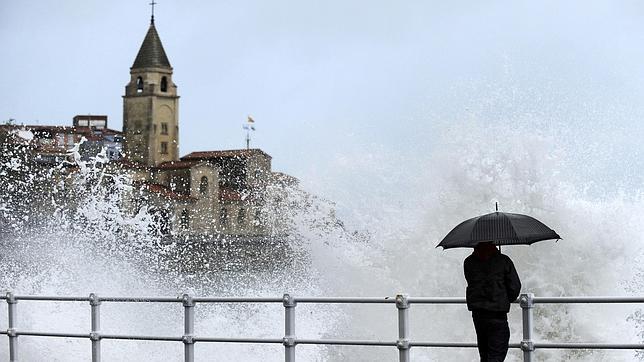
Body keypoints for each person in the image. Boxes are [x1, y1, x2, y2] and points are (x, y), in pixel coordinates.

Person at [464, 242, 521, 362]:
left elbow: (472, 282)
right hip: (497, 314)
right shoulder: (504, 261)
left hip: (478, 314)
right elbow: (514, 287)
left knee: (484, 354)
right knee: (497, 353)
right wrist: (504, 298)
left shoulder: (468, 262)